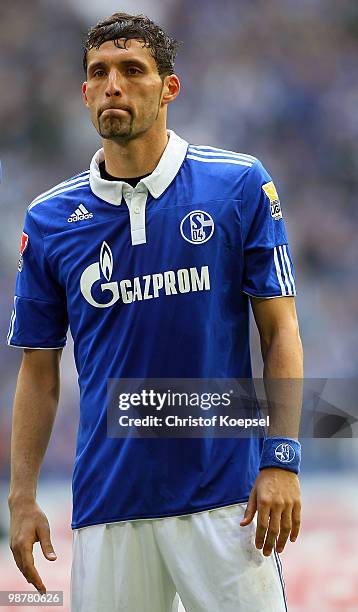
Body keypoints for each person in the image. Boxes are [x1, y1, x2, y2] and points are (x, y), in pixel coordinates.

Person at [7, 12, 303, 612]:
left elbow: (280, 331)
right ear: (85, 92)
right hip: (107, 505)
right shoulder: (47, 221)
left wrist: (282, 458)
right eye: (99, 73)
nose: (113, 84)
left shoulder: (238, 184)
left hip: (226, 498)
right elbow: (39, 369)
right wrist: (22, 497)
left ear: (169, 86)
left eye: (132, 69)